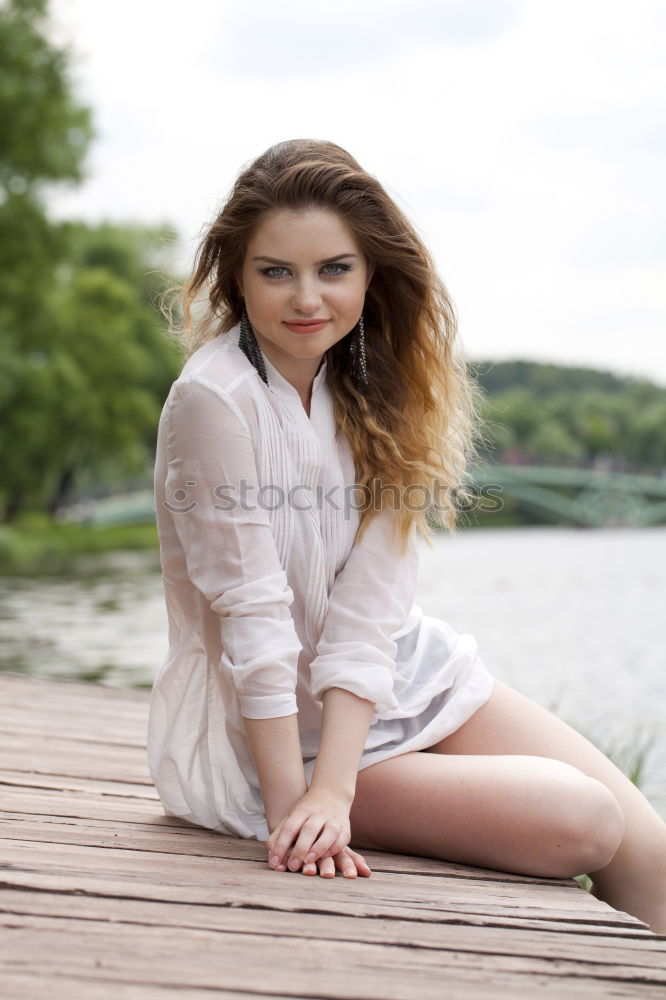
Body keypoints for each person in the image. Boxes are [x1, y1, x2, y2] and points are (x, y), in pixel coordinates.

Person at [147, 138, 666, 933]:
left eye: (334, 269)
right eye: (275, 270)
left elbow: (371, 607)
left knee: (651, 856)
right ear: (236, 273)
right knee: (586, 823)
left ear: (371, 274)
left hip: (398, 676)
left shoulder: (376, 388)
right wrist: (305, 803)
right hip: (282, 739)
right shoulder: (216, 400)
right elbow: (254, 621)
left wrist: (341, 793)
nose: (305, 298)